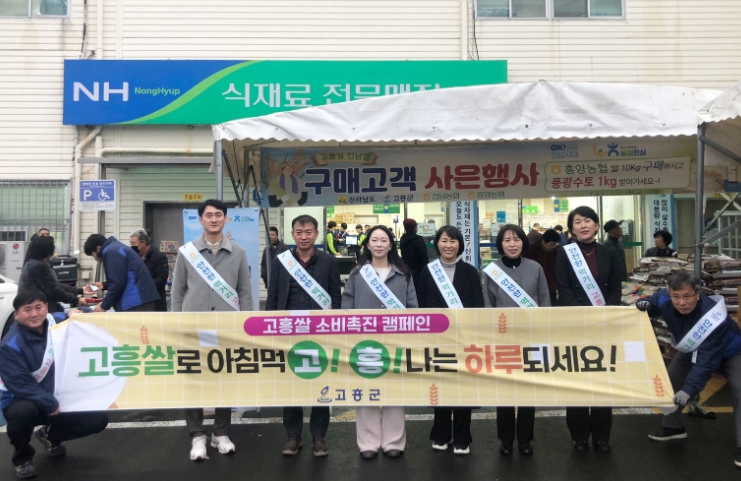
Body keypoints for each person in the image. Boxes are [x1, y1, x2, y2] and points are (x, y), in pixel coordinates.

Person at [170, 199, 253, 461]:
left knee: (223, 378)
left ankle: (221, 433)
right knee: (193, 378)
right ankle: (197, 434)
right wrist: (176, 324)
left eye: (218, 215)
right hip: (194, 326)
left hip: (226, 327)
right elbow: (177, 291)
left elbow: (245, 292)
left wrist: (246, 325)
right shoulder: (187, 252)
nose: (214, 219)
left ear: (225, 219)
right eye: (209, 215)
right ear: (200, 219)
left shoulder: (238, 252)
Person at [636, 271, 741, 467]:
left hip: (731, 351)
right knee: (672, 379)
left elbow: (707, 361)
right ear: (669, 294)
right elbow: (653, 301)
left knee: (739, 387)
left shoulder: (712, 317)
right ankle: (673, 428)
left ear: (697, 294)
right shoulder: (663, 297)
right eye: (676, 296)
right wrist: (645, 304)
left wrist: (689, 389)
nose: (681, 302)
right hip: (693, 347)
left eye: (687, 296)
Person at [0, 289, 108, 479]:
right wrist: (49, 402)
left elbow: (74, 316)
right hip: (23, 398)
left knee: (97, 419)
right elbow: (21, 384)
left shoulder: (54, 321)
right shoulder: (9, 345)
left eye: (38, 307)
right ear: (16, 314)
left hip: (56, 394)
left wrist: (79, 314)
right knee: (21, 413)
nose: (34, 314)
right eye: (27, 310)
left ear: (46, 307)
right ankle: (23, 458)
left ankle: (50, 436)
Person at [266, 215, 341, 458]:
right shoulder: (281, 260)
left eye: (308, 232)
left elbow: (335, 296)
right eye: (299, 232)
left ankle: (319, 436)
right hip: (288, 330)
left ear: (316, 234)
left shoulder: (329, 261)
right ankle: (293, 436)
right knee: (291, 384)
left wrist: (336, 327)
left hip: (321, 331)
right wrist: (271, 328)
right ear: (292, 234)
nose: (304, 236)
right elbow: (273, 295)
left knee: (321, 382)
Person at [342, 225, 418, 459]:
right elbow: (347, 305)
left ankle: (394, 441)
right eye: (374, 240)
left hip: (395, 341)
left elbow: (413, 306)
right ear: (367, 244)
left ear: (390, 244)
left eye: (383, 240)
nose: (378, 244)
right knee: (367, 390)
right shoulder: (357, 274)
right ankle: (368, 442)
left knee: (395, 390)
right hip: (364, 341)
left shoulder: (403, 273)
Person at [555, 206, 622, 453]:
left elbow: (616, 287)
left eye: (587, 220)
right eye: (577, 222)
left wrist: (605, 314)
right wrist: (583, 315)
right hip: (575, 324)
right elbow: (563, 288)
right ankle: (579, 434)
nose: (583, 225)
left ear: (595, 225)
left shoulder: (608, 253)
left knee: (602, 379)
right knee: (578, 379)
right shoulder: (565, 253)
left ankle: (602, 435)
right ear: (571, 228)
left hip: (603, 324)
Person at [416, 225, 484, 455]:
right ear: (437, 244)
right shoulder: (428, 271)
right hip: (437, 338)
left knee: (464, 386)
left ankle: (463, 436)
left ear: (459, 245)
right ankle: (441, 433)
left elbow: (478, 307)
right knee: (440, 384)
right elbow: (421, 305)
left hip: (464, 339)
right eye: (444, 240)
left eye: (453, 241)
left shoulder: (470, 272)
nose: (448, 245)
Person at [484, 224, 550, 456]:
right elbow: (488, 306)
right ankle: (505, 439)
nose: (512, 244)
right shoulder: (491, 271)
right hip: (503, 340)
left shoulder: (536, 268)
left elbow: (544, 301)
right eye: (507, 240)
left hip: (530, 339)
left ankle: (525, 438)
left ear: (523, 242)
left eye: (516, 239)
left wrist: (544, 334)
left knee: (527, 391)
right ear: (500, 244)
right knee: (504, 391)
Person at [83, 233, 159, 313]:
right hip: (141, 299)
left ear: (98, 248)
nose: (95, 259)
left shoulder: (111, 252)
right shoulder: (117, 248)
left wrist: (104, 305)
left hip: (134, 302)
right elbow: (122, 276)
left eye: (93, 255)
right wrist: (104, 285)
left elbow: (117, 283)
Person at [19, 236, 90, 314]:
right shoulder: (38, 266)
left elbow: (56, 285)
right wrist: (76, 300)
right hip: (36, 310)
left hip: (43, 307)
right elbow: (54, 291)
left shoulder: (38, 264)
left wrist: (79, 290)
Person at [128, 229, 170, 312]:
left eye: (134, 244)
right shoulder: (132, 258)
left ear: (143, 242)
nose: (132, 247)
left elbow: (161, 278)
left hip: (155, 304)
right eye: (131, 244)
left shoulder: (159, 256)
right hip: (136, 304)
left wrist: (143, 286)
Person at [523, 228, 560, 307]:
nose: (553, 247)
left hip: (551, 288)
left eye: (555, 244)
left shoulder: (555, 252)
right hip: (535, 288)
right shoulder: (531, 250)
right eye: (552, 244)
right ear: (544, 241)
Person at [399, 218, 428, 288]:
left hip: (406, 270)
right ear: (414, 228)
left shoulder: (403, 239)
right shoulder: (419, 239)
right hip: (418, 271)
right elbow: (424, 256)